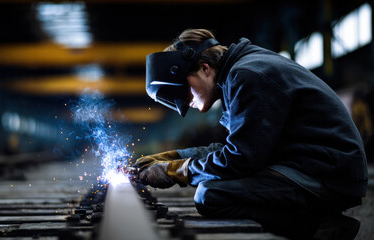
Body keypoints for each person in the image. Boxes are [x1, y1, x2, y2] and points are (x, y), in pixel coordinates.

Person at [135, 29, 368, 240]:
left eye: (185, 93)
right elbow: (238, 147)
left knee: (211, 194)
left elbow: (240, 159)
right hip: (316, 166)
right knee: (215, 185)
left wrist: (179, 171)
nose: (187, 103)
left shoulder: (247, 75)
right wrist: (172, 158)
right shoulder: (239, 73)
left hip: (327, 172)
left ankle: (322, 227)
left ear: (204, 68)